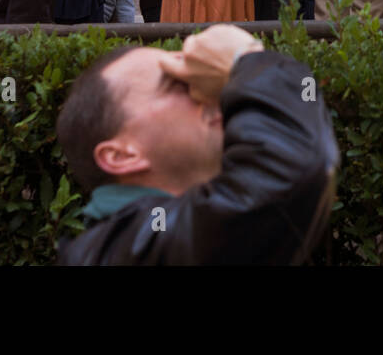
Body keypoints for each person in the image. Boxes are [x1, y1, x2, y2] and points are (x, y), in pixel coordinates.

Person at [56, 24, 338, 265]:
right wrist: (247, 59)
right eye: (177, 83)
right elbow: (292, 170)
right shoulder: (124, 250)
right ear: (121, 155)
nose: (208, 91)